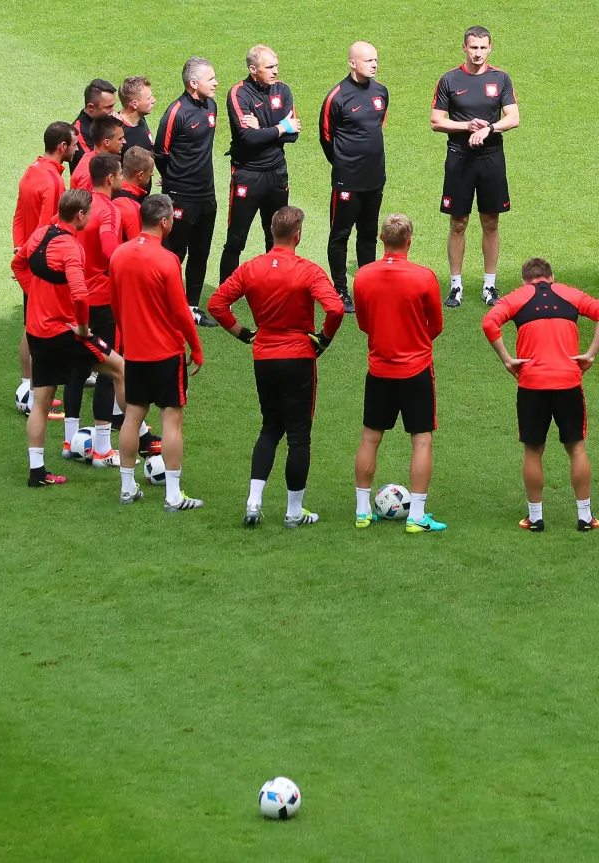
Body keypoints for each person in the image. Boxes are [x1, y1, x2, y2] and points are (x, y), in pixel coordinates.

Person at [208, 206, 344, 527]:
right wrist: (322, 340)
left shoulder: (250, 268)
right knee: (299, 436)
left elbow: (216, 304)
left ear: (271, 232)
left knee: (270, 427)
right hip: (298, 358)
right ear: (298, 235)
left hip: (264, 357)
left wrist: (242, 333)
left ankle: (253, 503)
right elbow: (335, 308)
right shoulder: (308, 270)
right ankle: (294, 512)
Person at [481, 257, 599, 532]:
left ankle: (535, 518)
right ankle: (585, 517)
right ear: (551, 277)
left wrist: (507, 359)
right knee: (576, 447)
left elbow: (489, 323)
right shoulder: (570, 294)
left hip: (531, 384)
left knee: (533, 450)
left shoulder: (517, 297)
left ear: (525, 280)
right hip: (568, 383)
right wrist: (590, 354)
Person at [13, 190, 126, 488]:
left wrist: (35, 295)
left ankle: (37, 472)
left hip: (37, 332)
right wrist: (83, 327)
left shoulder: (39, 236)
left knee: (42, 401)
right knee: (121, 368)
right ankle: (138, 440)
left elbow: (18, 265)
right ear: (79, 215)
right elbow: (80, 294)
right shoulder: (70, 249)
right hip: (64, 332)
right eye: (88, 214)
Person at [351, 214, 447, 533]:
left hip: (379, 369)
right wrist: (415, 340)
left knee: (370, 437)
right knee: (421, 441)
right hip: (417, 370)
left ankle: (363, 511)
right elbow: (436, 325)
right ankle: (417, 517)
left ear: (381, 240)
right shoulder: (424, 277)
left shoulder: (363, 276)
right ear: (409, 241)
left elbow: (363, 323)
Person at [109, 194, 204, 510]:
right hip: (166, 352)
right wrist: (197, 346)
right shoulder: (167, 260)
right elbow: (180, 313)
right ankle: (174, 496)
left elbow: (115, 304)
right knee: (171, 421)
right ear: (164, 222)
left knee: (132, 416)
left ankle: (126, 488)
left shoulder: (119, 255)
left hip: (135, 352)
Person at [431, 26, 520, 308]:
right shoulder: (449, 79)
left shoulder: (501, 79)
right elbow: (436, 121)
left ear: (490, 48)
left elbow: (514, 117)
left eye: (483, 48)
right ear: (464, 48)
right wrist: (466, 126)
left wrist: (490, 128)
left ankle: (489, 286)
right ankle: (455, 285)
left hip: (491, 158)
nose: (478, 53)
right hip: (459, 157)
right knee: (458, 223)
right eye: (473, 48)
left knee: (490, 223)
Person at [221, 44, 301, 284]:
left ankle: (273, 287)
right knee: (236, 239)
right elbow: (247, 137)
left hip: (277, 174)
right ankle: (226, 293)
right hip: (248, 175)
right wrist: (279, 128)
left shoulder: (283, 90)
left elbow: (294, 134)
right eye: (269, 67)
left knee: (277, 236)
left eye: (276, 65)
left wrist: (263, 129)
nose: (275, 71)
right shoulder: (238, 93)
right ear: (253, 69)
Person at [320, 41, 388, 314]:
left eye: (375, 59)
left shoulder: (381, 92)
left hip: (375, 179)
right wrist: (344, 164)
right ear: (352, 63)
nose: (374, 64)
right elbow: (326, 137)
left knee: (369, 235)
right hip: (347, 180)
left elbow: (376, 126)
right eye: (368, 60)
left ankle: (366, 288)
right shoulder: (337, 96)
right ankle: (339, 289)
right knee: (340, 235)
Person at [13, 121, 76, 418]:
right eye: (73, 145)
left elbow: (18, 215)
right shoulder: (54, 182)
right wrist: (31, 258)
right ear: (62, 147)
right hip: (39, 266)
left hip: (26, 256)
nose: (75, 149)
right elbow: (46, 228)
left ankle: (28, 387)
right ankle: (35, 396)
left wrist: (19, 249)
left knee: (30, 325)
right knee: (38, 329)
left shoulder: (31, 170)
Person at [155, 57, 220, 328]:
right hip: (181, 197)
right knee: (173, 255)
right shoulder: (176, 112)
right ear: (194, 83)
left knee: (201, 252)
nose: (216, 83)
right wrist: (173, 182)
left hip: (207, 195)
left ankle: (191, 307)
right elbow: (160, 152)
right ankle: (164, 307)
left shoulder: (212, 106)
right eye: (210, 79)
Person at [68, 153, 125, 467]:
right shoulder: (109, 210)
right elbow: (108, 250)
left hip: (76, 297)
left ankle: (70, 439)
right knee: (108, 369)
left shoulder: (78, 207)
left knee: (79, 368)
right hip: (101, 299)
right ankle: (102, 449)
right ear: (111, 178)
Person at [70, 115, 124, 191]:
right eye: (120, 139)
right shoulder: (91, 173)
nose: (124, 141)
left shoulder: (96, 161)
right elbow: (84, 202)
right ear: (107, 142)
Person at [111, 147, 155, 240]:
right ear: (141, 175)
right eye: (150, 171)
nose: (152, 174)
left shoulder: (109, 190)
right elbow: (136, 247)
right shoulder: (132, 208)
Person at [72, 79, 117, 169]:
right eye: (108, 107)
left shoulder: (104, 123)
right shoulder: (78, 132)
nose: (113, 112)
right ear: (91, 107)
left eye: (113, 106)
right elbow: (96, 166)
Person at [117, 76, 156, 154]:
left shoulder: (140, 119)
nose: (154, 100)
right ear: (134, 104)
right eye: (149, 98)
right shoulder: (117, 131)